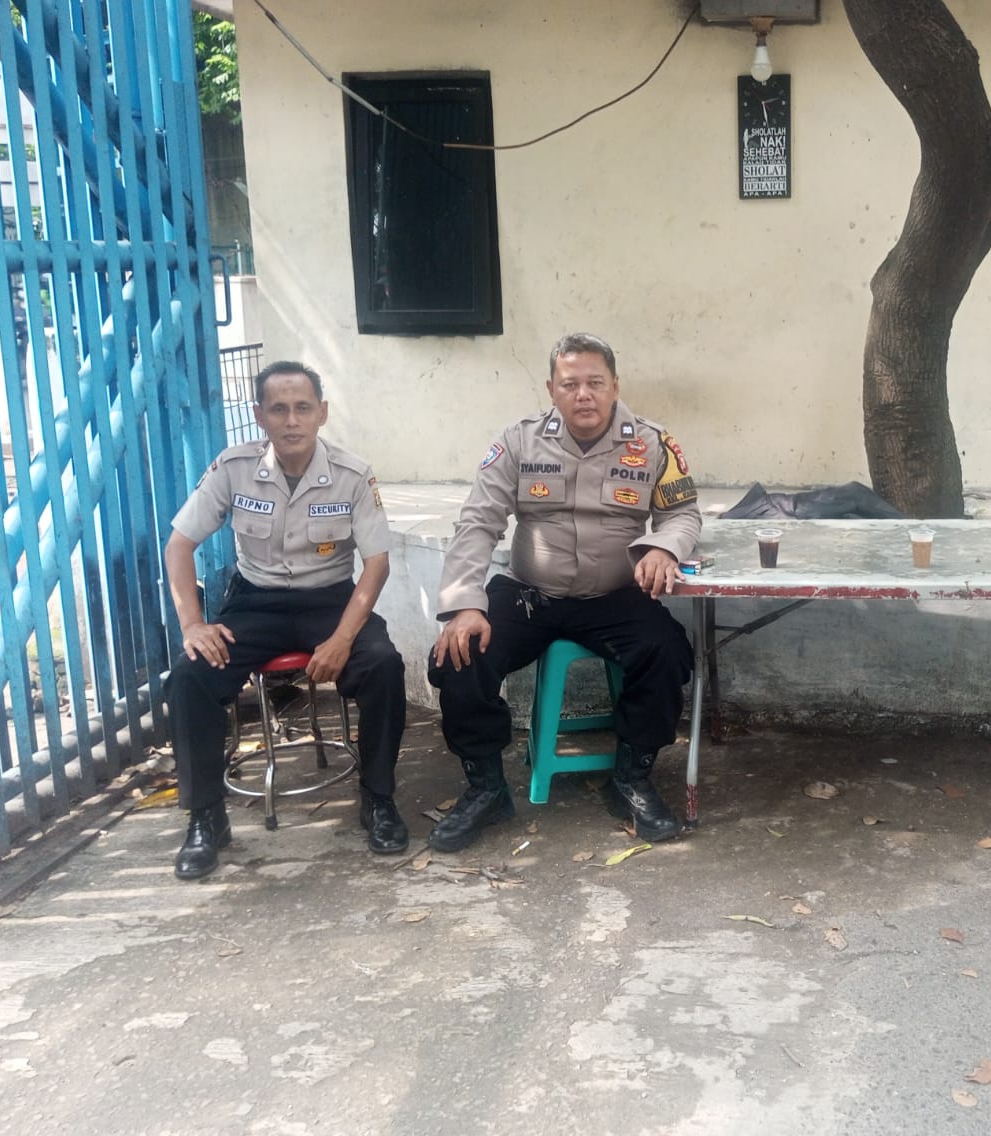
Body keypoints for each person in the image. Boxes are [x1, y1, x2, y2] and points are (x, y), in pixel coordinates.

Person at [428, 333, 701, 852]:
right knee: (460, 655)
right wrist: (464, 604)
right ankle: (486, 788)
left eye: (595, 382)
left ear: (615, 386)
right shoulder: (518, 441)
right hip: (530, 594)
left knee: (666, 653)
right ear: (551, 389)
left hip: (615, 595)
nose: (584, 395)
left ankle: (632, 778)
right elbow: (478, 522)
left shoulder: (653, 443)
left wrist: (663, 547)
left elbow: (682, 514)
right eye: (570, 384)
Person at [163, 361, 408, 880]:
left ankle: (378, 798)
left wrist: (343, 638)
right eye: (278, 409)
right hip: (257, 603)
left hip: (331, 601)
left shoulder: (352, 474)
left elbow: (377, 564)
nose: (291, 420)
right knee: (189, 676)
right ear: (259, 415)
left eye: (302, 408)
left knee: (384, 666)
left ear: (322, 412)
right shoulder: (232, 468)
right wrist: (192, 625)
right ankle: (205, 817)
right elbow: (179, 544)